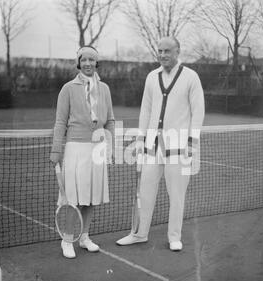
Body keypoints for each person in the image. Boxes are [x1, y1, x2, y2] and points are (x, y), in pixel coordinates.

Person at [116, 37, 205, 251]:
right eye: (160, 50)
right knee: (144, 191)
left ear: (177, 51)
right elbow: (146, 109)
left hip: (179, 148)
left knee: (177, 195)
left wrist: (192, 143)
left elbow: (198, 111)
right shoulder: (151, 77)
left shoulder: (191, 77)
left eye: (167, 50)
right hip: (152, 148)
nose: (163, 54)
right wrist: (141, 138)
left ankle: (174, 237)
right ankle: (138, 233)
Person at [50, 46, 115, 258]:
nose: (88, 63)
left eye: (92, 60)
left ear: (97, 63)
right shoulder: (68, 88)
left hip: (97, 148)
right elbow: (60, 122)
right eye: (84, 59)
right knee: (73, 197)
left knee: (92, 195)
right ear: (79, 63)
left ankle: (85, 236)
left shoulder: (104, 88)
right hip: (75, 149)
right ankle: (67, 239)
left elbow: (111, 120)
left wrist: (110, 145)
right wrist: (55, 150)